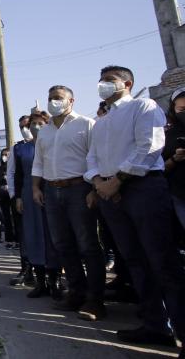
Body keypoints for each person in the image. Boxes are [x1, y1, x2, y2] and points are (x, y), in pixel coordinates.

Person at [86, 66, 185, 353]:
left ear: (127, 83)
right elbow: (92, 158)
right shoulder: (101, 122)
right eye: (101, 79)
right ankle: (155, 325)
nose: (103, 85)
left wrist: (118, 180)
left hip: (142, 189)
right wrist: (99, 181)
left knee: (163, 261)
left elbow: (149, 146)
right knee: (135, 261)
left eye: (109, 80)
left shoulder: (144, 106)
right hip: (110, 194)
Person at [32, 85, 106, 321]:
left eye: (58, 98)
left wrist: (95, 188)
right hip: (52, 191)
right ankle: (76, 292)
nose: (54, 102)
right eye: (50, 98)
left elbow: (97, 158)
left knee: (88, 245)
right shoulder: (44, 131)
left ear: (71, 101)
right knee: (62, 244)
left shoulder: (86, 124)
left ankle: (95, 300)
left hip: (80, 189)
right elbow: (39, 163)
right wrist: (35, 187)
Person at [15, 111, 62, 300]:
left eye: (40, 123)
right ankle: (40, 281)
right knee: (33, 235)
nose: (36, 127)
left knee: (52, 236)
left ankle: (55, 281)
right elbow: (18, 175)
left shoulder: (55, 142)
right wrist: (18, 197)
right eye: (32, 123)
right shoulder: (21, 149)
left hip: (52, 190)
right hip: (28, 194)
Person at [7, 115, 33, 286]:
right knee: (24, 235)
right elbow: (11, 173)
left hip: (45, 195)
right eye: (21, 126)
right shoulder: (17, 148)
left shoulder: (45, 143)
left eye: (28, 125)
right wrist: (14, 196)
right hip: (22, 198)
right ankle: (26, 269)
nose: (25, 129)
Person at [164, 86, 185, 230]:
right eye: (182, 109)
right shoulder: (168, 135)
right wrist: (175, 158)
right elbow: (161, 168)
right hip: (180, 194)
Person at [0, 148, 14, 247]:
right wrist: (3, 178)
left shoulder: (14, 166)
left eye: (7, 155)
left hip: (13, 195)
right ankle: (8, 239)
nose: (4, 157)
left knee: (13, 217)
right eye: (3, 155)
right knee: (5, 218)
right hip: (2, 195)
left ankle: (16, 240)